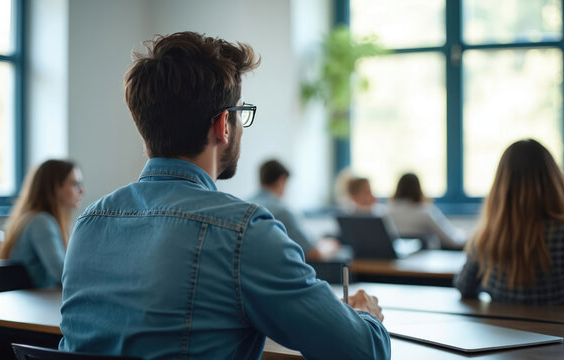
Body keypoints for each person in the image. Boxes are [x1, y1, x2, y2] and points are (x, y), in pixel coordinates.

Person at [59, 32, 389, 359]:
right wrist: (365, 316)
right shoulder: (243, 232)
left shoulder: (88, 223)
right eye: (240, 113)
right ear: (223, 125)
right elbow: (363, 352)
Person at [454, 139, 564, 304]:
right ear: (554, 181)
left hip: (504, 328)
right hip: (562, 329)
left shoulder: (487, 235)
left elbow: (464, 287)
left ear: (501, 187)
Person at [0, 160, 84, 288]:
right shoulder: (41, 222)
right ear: (55, 187)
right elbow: (62, 274)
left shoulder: (32, 218)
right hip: (34, 302)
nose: (81, 191)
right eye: (75, 184)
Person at [249, 159, 341, 261]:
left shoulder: (245, 205)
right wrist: (331, 246)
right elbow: (313, 253)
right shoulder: (282, 212)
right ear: (282, 180)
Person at [387, 173, 466, 249]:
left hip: (397, 261)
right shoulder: (425, 212)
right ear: (418, 189)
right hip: (424, 259)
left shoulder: (387, 212)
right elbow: (451, 241)